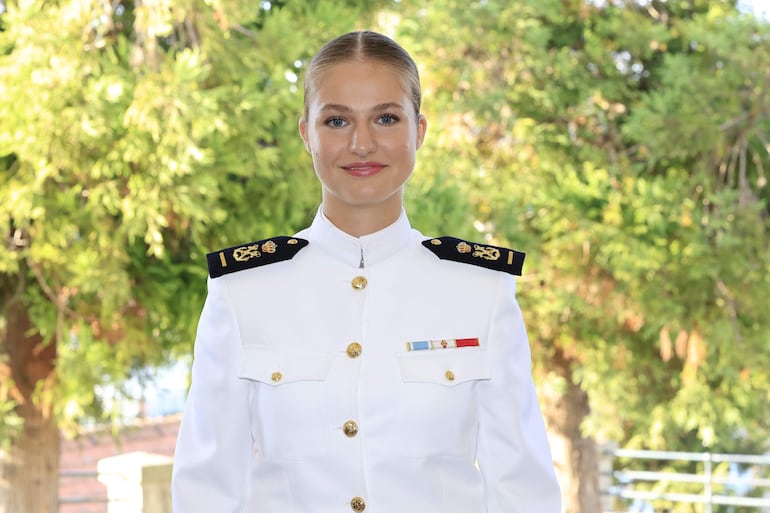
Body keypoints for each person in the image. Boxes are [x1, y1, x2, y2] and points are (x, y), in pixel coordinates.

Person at [171, 30, 561, 513]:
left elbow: (521, 489)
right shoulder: (243, 290)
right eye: (336, 120)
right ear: (306, 133)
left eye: (386, 118)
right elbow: (206, 490)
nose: (361, 143)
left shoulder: (480, 290)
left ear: (418, 131)